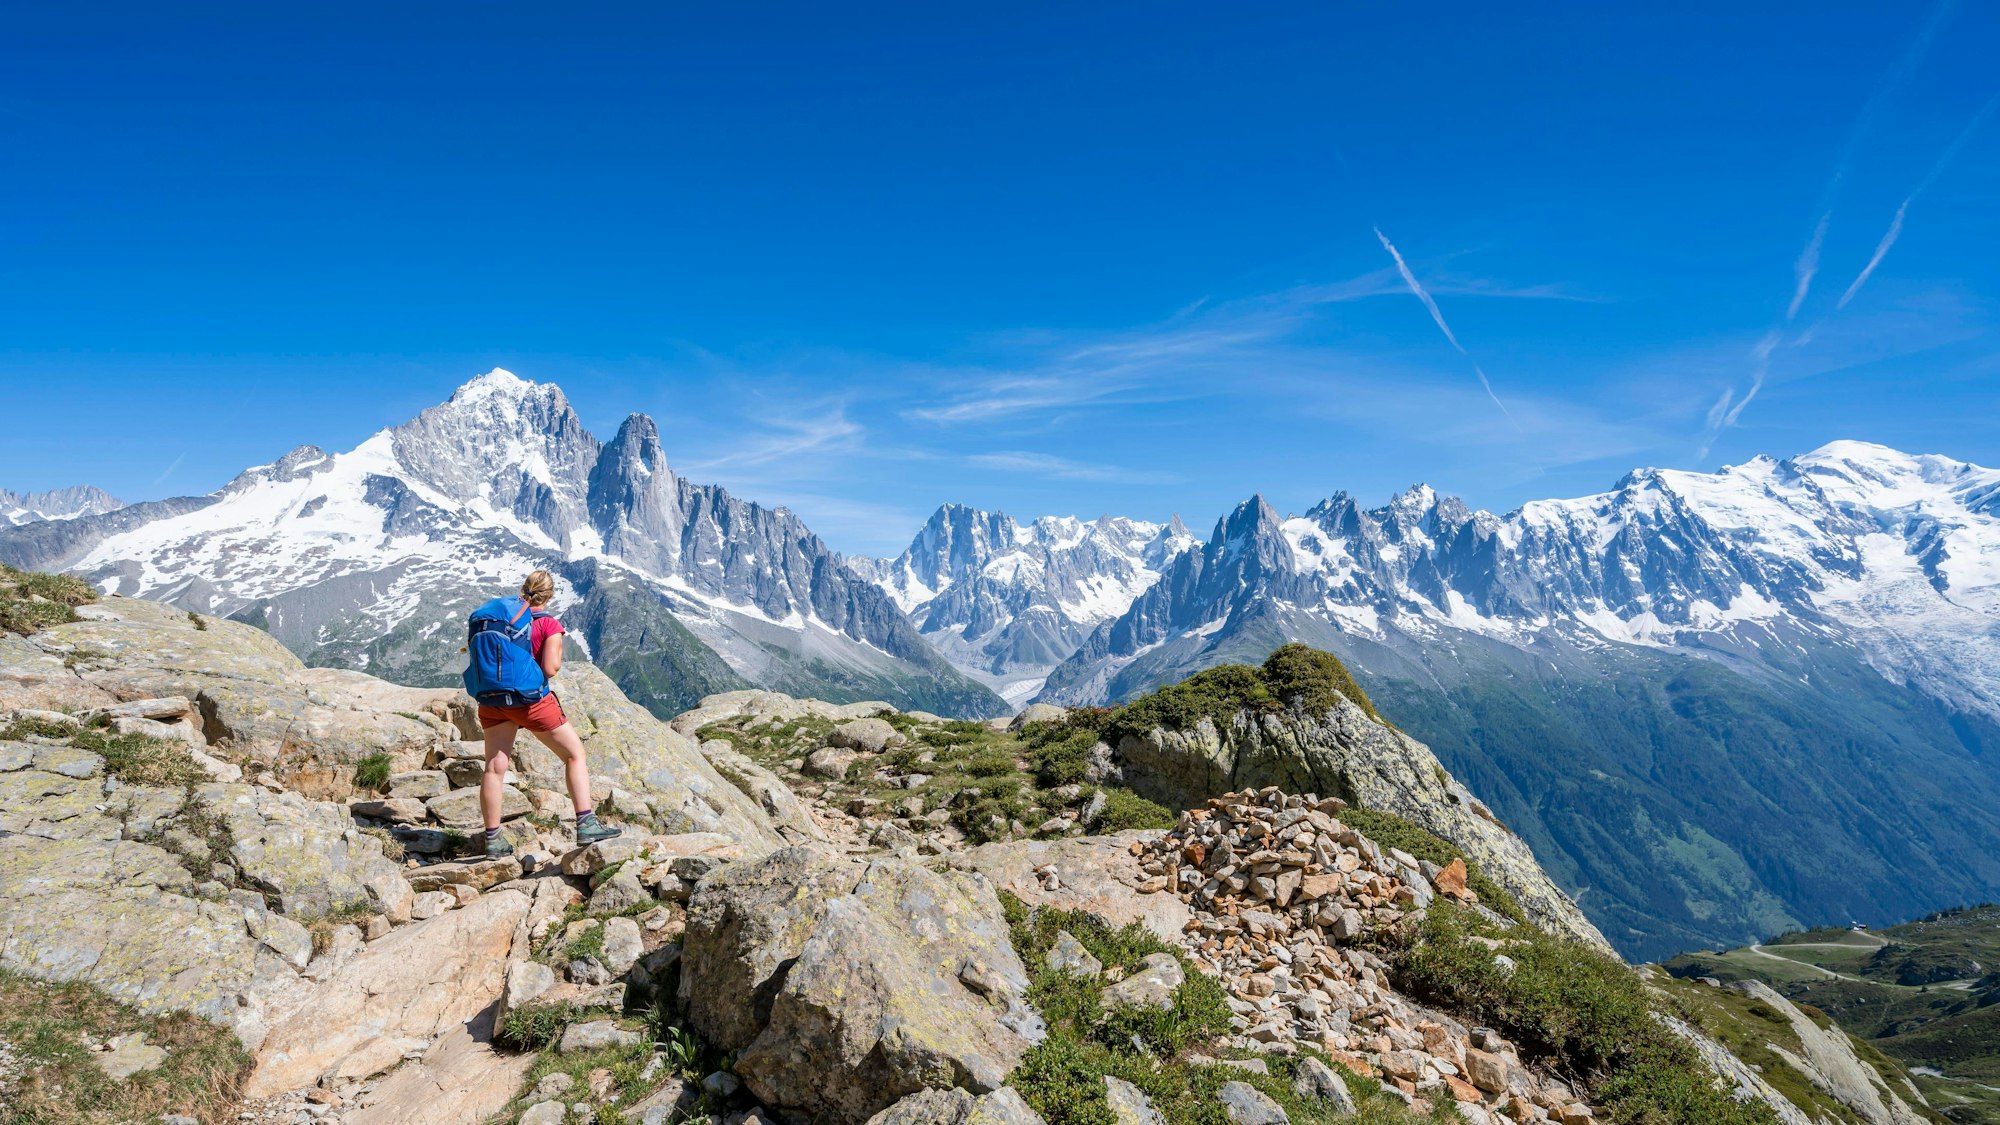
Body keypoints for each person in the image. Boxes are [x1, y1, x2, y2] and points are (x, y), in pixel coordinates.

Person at [471, 569, 621, 857]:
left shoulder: (505, 619)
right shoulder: (548, 624)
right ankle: (586, 823)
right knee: (574, 754)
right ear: (550, 595)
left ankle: (493, 840)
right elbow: (550, 668)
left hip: (492, 700)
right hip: (530, 703)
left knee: (494, 766)